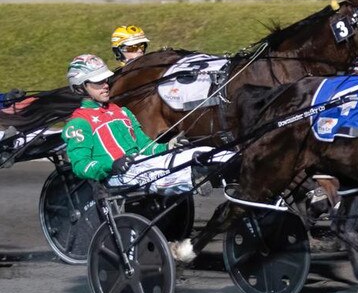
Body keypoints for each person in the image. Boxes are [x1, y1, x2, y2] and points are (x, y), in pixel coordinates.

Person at [62, 54, 232, 195]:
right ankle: (195, 179)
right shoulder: (78, 123)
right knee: (187, 171)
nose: (106, 86)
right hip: (119, 175)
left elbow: (144, 146)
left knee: (208, 154)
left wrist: (168, 147)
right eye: (98, 82)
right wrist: (111, 165)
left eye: (105, 80)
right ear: (80, 88)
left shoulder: (122, 112)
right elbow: (81, 165)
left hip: (144, 164)